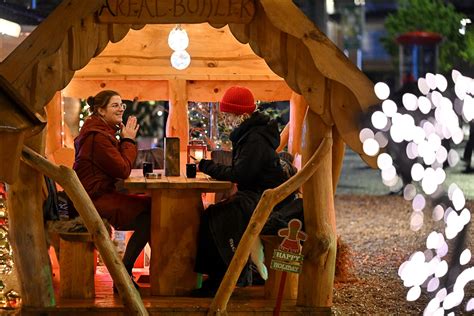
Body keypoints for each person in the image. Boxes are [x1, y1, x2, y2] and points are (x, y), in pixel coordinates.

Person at [192, 86, 291, 297]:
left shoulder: (255, 138)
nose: (226, 119)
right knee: (213, 214)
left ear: (242, 114)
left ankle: (225, 277)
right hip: (261, 196)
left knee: (217, 216)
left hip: (265, 200)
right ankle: (220, 276)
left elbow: (241, 174)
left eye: (228, 114)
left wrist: (205, 166)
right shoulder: (252, 133)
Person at [73, 90, 151, 291]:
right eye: (115, 105)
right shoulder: (97, 137)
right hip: (94, 200)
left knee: (152, 205)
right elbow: (123, 169)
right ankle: (123, 277)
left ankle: (126, 275)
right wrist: (129, 141)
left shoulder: (101, 132)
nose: (121, 109)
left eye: (121, 105)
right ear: (100, 110)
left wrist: (124, 140)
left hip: (96, 195)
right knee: (152, 214)